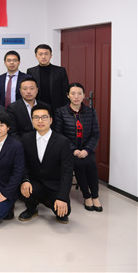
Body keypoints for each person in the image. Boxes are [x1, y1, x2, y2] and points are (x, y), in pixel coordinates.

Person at [19, 105, 73, 224]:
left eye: (44, 117)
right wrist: (25, 180)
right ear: (32, 120)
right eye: (36, 117)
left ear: (51, 120)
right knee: (24, 187)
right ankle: (32, 209)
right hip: (35, 182)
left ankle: (48, 199)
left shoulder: (62, 141)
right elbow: (23, 163)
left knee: (64, 213)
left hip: (54, 184)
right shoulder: (26, 138)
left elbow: (67, 171)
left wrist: (62, 197)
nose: (40, 121)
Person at [54, 83, 102, 212]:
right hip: (69, 150)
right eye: (73, 93)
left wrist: (86, 150)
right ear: (68, 95)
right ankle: (86, 196)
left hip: (86, 149)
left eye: (79, 93)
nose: (76, 96)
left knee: (91, 164)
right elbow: (59, 134)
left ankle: (95, 196)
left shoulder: (91, 112)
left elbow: (95, 134)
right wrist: (74, 150)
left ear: (84, 95)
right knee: (79, 165)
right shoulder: (61, 112)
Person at [27, 44, 70, 110]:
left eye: (46, 54)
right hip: (38, 107)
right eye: (40, 54)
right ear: (36, 56)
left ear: (51, 56)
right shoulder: (31, 71)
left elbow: (65, 91)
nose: (43, 57)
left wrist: (65, 108)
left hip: (57, 107)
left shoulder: (60, 71)